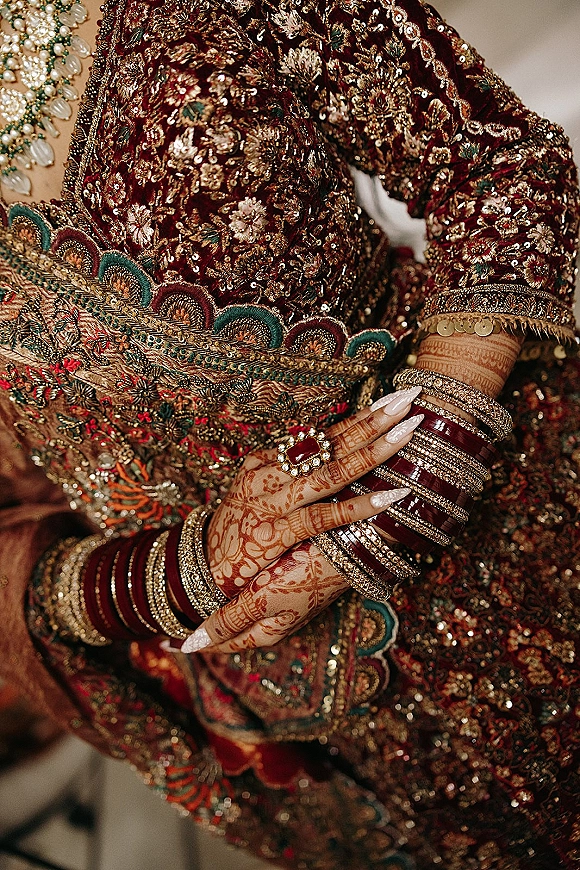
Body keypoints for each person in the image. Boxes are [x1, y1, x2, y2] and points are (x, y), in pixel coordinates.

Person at [0, 0, 578, 865]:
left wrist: (420, 480)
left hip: (523, 521)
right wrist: (174, 575)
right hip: (311, 709)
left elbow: (496, 164)